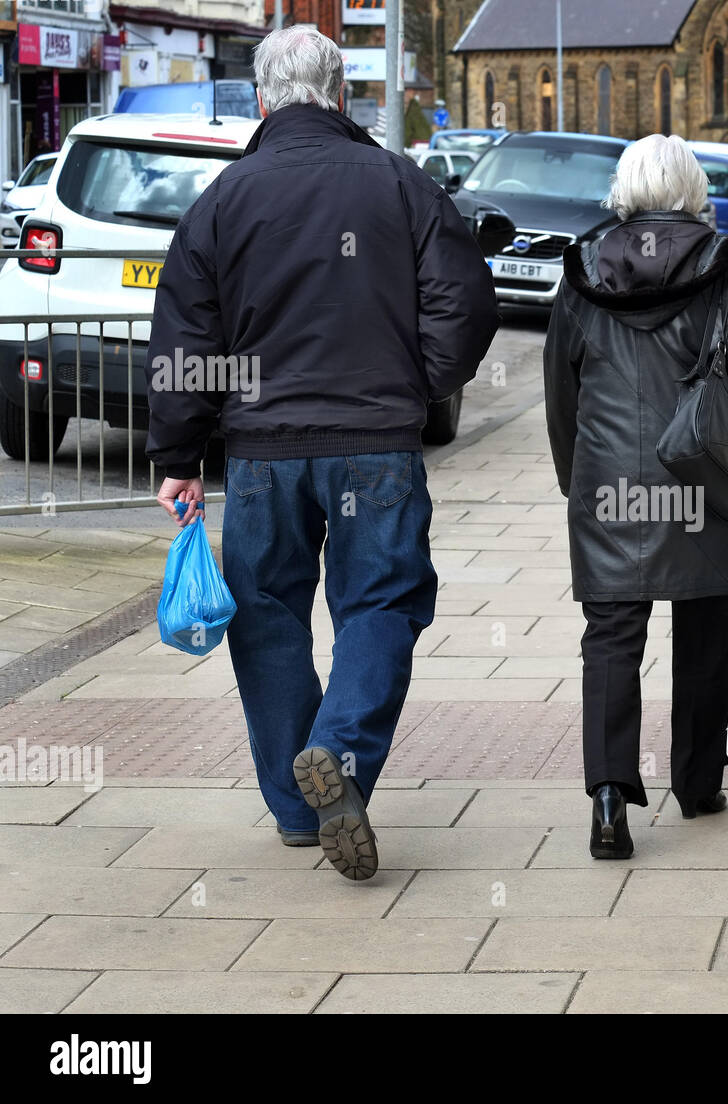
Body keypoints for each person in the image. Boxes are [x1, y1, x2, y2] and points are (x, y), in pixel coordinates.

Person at [145, 26, 498, 880]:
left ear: (262, 99)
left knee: (265, 614)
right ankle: (336, 754)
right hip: (375, 446)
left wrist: (179, 455)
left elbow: (186, 338)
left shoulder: (223, 199)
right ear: (342, 94)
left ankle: (297, 807)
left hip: (263, 454)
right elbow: (468, 306)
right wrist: (417, 388)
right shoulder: (400, 184)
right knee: (381, 605)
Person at [544, 134, 728, 860]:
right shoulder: (727, 273)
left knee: (611, 639)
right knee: (706, 630)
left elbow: (563, 395)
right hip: (702, 482)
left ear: (623, 191)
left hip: (610, 484)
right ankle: (697, 781)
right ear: (693, 189)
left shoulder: (582, 273)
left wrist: (575, 479)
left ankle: (607, 799)